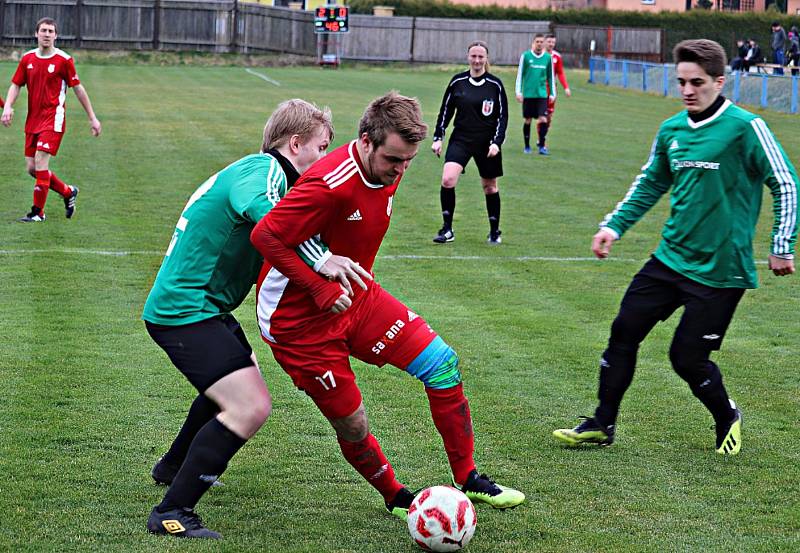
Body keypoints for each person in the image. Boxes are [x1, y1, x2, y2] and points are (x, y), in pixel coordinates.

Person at [250, 92, 525, 523]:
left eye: (408, 161)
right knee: (353, 424)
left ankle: (468, 476)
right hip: (298, 323)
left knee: (442, 365)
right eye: (393, 160)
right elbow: (265, 236)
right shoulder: (327, 185)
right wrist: (318, 287)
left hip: (357, 298)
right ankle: (398, 497)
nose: (400, 170)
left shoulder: (390, 168)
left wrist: (339, 284)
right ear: (365, 141)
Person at [553, 39, 797, 456]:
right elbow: (650, 183)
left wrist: (781, 245)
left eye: (697, 82)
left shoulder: (746, 128)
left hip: (721, 271)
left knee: (687, 358)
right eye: (681, 81)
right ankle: (601, 423)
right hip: (669, 258)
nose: (687, 90)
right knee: (624, 330)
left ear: (720, 81)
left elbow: (786, 182)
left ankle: (727, 416)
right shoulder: (672, 130)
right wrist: (613, 227)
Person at [143, 99, 366, 539]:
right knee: (250, 405)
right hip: (184, 310)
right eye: (322, 148)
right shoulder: (262, 171)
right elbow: (270, 219)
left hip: (202, 308)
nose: (324, 158)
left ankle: (172, 468)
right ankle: (172, 514)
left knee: (236, 383)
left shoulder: (268, 175)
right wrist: (321, 260)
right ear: (295, 143)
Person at [1, 17, 101, 223]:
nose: (47, 34)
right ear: (36, 34)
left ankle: (38, 212)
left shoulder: (64, 60)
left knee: (40, 161)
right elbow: (15, 84)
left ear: (56, 35)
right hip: (33, 120)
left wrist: (92, 117)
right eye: (43, 30)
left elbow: (79, 89)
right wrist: (8, 106)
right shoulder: (27, 59)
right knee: (32, 168)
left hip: (53, 119)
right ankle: (67, 192)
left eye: (50, 31)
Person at [430, 41, 509, 245]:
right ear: (468, 57)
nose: (476, 60)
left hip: (487, 142)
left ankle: (494, 231)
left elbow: (502, 117)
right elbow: (445, 111)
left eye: (480, 57)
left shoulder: (495, 85)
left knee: (490, 187)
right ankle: (447, 229)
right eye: (473, 56)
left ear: (486, 59)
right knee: (447, 179)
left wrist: (496, 143)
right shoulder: (458, 82)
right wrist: (438, 138)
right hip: (461, 139)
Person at [515, 33, 554, 155]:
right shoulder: (526, 56)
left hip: (542, 94)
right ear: (533, 43)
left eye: (541, 42)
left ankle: (542, 146)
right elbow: (520, 75)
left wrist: (553, 93)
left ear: (544, 44)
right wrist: (518, 92)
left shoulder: (548, 58)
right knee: (528, 120)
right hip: (528, 94)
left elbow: (551, 77)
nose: (539, 44)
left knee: (543, 119)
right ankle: (527, 146)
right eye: (537, 41)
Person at [542, 34, 571, 145]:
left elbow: (560, 73)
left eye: (553, 42)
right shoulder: (539, 55)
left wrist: (566, 88)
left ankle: (542, 137)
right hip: (540, 89)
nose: (551, 44)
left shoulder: (556, 57)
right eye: (549, 42)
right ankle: (541, 141)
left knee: (549, 116)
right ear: (544, 42)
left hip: (552, 89)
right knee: (542, 116)